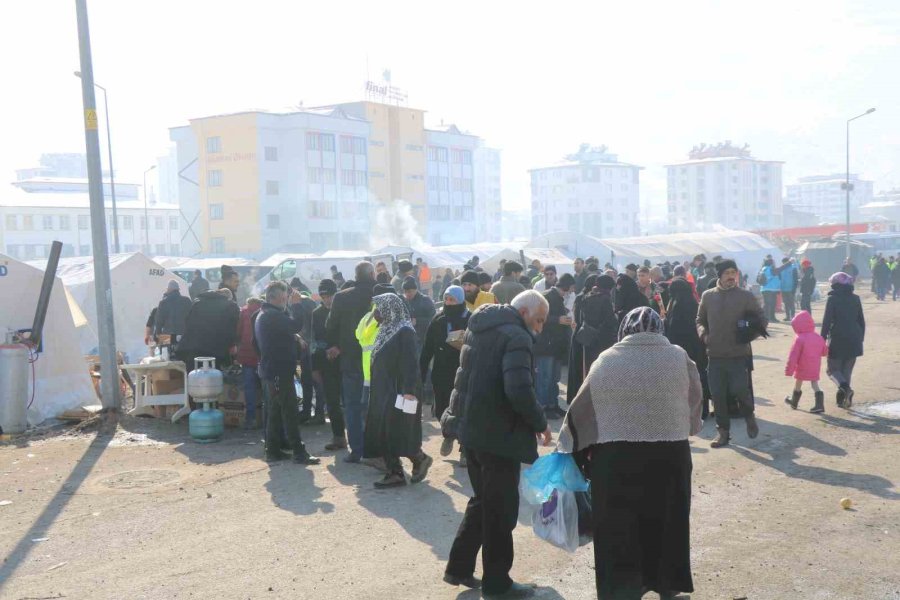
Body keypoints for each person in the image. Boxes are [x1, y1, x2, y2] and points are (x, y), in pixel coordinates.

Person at [559, 306, 701, 600]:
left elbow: (581, 411)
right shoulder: (679, 357)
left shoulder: (607, 361)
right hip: (670, 456)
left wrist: (573, 446)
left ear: (624, 330)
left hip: (616, 461)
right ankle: (667, 586)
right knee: (667, 522)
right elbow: (695, 404)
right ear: (659, 328)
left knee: (618, 528)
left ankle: (623, 591)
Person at [442, 291, 552, 598]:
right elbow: (518, 389)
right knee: (500, 510)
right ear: (525, 311)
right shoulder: (517, 336)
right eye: (539, 319)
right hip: (498, 436)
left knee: (483, 502)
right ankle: (497, 582)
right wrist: (541, 423)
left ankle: (459, 567)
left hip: (472, 432)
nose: (540, 328)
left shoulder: (481, 328)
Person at [363, 292, 433, 488]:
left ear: (390, 308)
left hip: (399, 390)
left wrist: (409, 390)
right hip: (383, 389)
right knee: (386, 429)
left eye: (379, 308)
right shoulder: (386, 329)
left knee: (396, 429)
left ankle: (407, 465)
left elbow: (411, 363)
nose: (376, 313)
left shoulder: (404, 331)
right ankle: (405, 466)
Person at [697, 259, 766, 448]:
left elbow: (761, 319)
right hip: (715, 355)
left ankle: (749, 417)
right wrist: (704, 335)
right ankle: (723, 433)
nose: (730, 276)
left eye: (733, 272)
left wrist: (748, 335)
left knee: (740, 391)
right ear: (719, 275)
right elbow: (700, 320)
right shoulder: (708, 296)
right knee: (718, 395)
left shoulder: (745, 296)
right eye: (726, 272)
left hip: (737, 355)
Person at [254, 281, 320, 465]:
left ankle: (273, 449)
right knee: (289, 411)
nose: (286, 302)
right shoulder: (271, 315)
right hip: (278, 371)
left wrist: (293, 337)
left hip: (273, 370)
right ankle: (299, 451)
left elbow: (286, 330)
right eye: (283, 298)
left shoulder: (265, 314)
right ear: (274, 298)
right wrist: (297, 305)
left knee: (275, 411)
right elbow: (295, 325)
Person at [325, 261, 377, 463]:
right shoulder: (381, 295)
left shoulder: (342, 296)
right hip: (377, 361)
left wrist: (338, 344)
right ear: (372, 274)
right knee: (377, 406)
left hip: (351, 359)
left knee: (353, 406)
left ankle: (357, 450)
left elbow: (330, 325)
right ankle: (377, 450)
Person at [421, 285, 470, 462]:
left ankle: (465, 448)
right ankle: (448, 435)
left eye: (453, 300)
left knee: (464, 409)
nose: (449, 303)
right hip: (441, 373)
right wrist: (421, 371)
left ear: (461, 300)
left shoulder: (470, 319)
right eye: (447, 299)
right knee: (442, 407)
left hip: (463, 372)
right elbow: (427, 349)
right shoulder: (438, 319)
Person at [566, 274, 618, 405]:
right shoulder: (605, 299)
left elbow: (580, 319)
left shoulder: (586, 297)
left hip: (586, 339)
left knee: (587, 370)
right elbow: (610, 322)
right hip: (602, 342)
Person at [666, 277, 710, 420]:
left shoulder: (678, 304)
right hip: (696, 346)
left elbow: (674, 327)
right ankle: (702, 409)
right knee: (698, 377)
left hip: (682, 347)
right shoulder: (692, 302)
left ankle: (690, 410)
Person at [820, 272, 865, 409]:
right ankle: (844, 401)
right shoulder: (856, 298)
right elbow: (861, 321)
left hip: (838, 338)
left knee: (832, 370)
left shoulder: (832, 299)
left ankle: (846, 389)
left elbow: (826, 321)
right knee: (846, 371)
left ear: (834, 284)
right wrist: (860, 339)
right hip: (854, 338)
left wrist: (822, 339)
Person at [533, 273, 575, 419]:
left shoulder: (559, 298)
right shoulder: (547, 296)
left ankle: (553, 405)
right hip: (545, 345)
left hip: (556, 346)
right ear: (568, 286)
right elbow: (537, 318)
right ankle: (543, 408)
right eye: (571, 288)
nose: (571, 291)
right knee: (544, 378)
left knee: (554, 378)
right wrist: (558, 319)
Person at [313, 279, 346, 451]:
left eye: (330, 295)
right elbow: (315, 342)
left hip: (346, 362)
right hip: (327, 365)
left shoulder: (345, 310)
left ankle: (359, 438)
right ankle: (339, 436)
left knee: (350, 402)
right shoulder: (316, 314)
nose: (327, 299)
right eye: (324, 296)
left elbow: (351, 335)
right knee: (332, 402)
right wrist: (315, 367)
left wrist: (339, 348)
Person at [177, 287, 240, 372]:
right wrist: (232, 344)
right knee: (213, 379)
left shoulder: (197, 303)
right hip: (214, 349)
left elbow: (187, 322)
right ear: (229, 298)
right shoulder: (230, 305)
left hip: (190, 347)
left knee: (193, 379)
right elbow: (231, 327)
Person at [784, 311, 829, 414]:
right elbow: (824, 351)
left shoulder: (799, 339)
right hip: (815, 366)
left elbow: (793, 356)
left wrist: (789, 370)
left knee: (798, 382)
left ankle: (794, 402)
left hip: (802, 366)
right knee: (815, 384)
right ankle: (819, 405)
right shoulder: (818, 337)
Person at [235, 297, 263, 429]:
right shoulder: (264, 311)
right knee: (265, 388)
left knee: (249, 388)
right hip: (261, 355)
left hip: (246, 355)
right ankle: (265, 418)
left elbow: (238, 332)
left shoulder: (243, 312)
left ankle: (250, 418)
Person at [402, 276, 436, 350]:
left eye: (409, 291)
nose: (407, 294)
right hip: (409, 340)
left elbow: (434, 319)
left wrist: (417, 321)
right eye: (405, 292)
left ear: (416, 289)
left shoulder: (425, 300)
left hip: (423, 339)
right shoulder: (404, 302)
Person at [758, 258, 782, 322]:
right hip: (771, 289)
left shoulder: (762, 269)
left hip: (764, 289)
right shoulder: (771, 269)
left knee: (766, 304)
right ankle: (772, 318)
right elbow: (780, 269)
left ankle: (765, 317)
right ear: (771, 263)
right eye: (773, 262)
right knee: (772, 304)